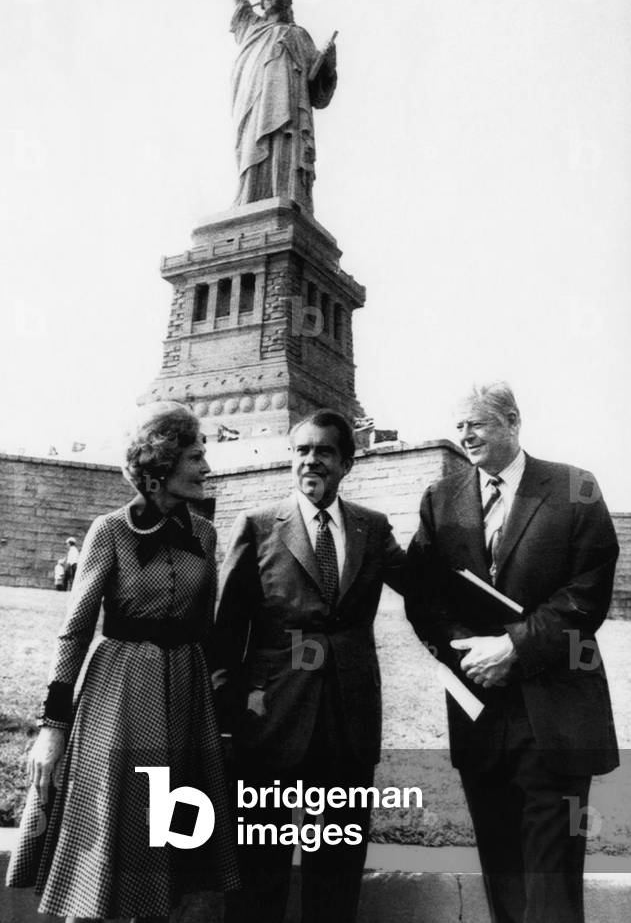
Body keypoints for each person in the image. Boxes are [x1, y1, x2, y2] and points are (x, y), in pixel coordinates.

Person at [6, 402, 239, 920]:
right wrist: (53, 726)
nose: (206, 468)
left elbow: (208, 629)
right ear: (159, 468)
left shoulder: (205, 534)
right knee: (113, 831)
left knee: (170, 834)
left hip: (186, 692)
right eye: (196, 457)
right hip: (121, 694)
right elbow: (74, 633)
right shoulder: (108, 531)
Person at [405, 381, 619, 923]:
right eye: (458, 426)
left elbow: (587, 592)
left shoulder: (575, 488)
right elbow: (422, 595)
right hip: (481, 714)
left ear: (513, 421)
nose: (464, 435)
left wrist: (514, 648)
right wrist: (470, 655)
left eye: (476, 423)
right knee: (503, 877)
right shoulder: (441, 498)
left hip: (557, 710)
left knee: (551, 887)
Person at [213, 408, 406, 923]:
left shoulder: (373, 527)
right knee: (258, 871)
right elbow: (226, 633)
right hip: (270, 722)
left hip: (348, 722)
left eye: (324, 451)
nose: (311, 461)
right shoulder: (256, 527)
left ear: (347, 462)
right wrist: (230, 715)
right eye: (302, 450)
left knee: (338, 871)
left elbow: (425, 590)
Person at [217, 0, 337, 213]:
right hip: (255, 100)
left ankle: (288, 194)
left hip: (290, 107)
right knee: (251, 146)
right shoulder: (251, 27)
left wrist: (329, 65)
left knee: (286, 144)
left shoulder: (298, 35)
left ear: (288, 2)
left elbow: (316, 90)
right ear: (260, 3)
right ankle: (250, 197)